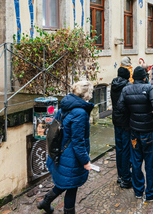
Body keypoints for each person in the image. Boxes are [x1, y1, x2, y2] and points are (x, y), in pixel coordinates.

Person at [38, 81, 94, 214]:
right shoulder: (80, 113)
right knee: (72, 187)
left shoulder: (67, 104)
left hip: (61, 152)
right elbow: (78, 142)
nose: (92, 94)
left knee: (64, 183)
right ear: (85, 94)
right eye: (91, 92)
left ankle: (45, 202)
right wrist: (85, 161)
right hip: (71, 157)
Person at [117, 66, 153, 202]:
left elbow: (120, 107)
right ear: (144, 77)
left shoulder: (126, 89)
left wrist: (130, 115)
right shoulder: (149, 88)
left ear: (133, 78)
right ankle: (151, 193)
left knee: (136, 161)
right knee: (150, 161)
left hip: (134, 131)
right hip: (147, 131)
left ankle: (138, 191)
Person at [110, 67, 132, 189]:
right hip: (125, 121)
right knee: (125, 149)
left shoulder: (113, 84)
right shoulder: (127, 87)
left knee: (119, 148)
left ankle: (120, 175)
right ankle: (125, 176)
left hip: (116, 119)